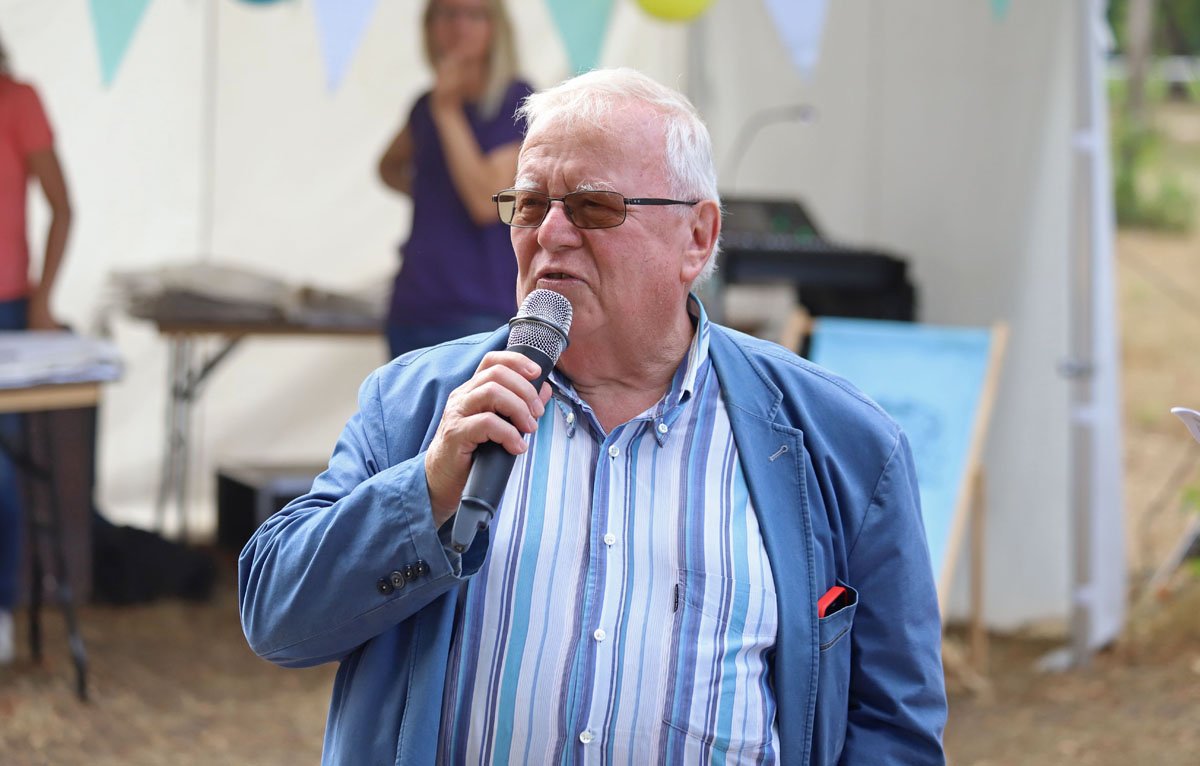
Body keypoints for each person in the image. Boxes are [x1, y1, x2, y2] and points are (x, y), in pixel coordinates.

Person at [240, 68, 947, 764]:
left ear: (698, 237)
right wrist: (425, 494)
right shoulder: (416, 404)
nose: (550, 233)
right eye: (528, 204)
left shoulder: (841, 441)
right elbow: (277, 620)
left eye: (592, 207)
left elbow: (895, 729)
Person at [377, 0, 532, 358]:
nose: (460, 26)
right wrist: (432, 194)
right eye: (447, 14)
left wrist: (447, 110)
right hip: (413, 305)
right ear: (429, 26)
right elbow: (388, 167)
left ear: (495, 28)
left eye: (474, 15)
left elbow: (485, 203)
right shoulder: (424, 106)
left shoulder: (515, 99)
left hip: (479, 306)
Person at [0, 37, 73, 664]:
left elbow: (61, 207)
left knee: (3, 467)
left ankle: (1, 608)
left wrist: (44, 300)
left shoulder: (17, 100)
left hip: (8, 311)